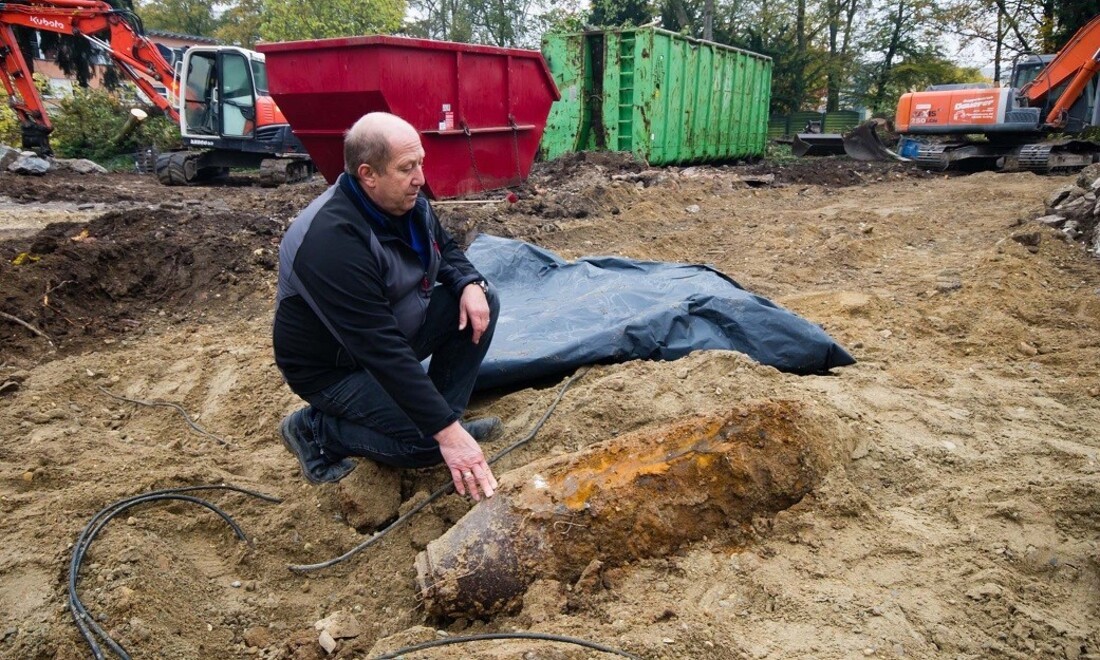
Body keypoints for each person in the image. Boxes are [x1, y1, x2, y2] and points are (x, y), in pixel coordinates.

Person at [273, 112, 500, 500]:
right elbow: (380, 348)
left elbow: (444, 249)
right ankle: (316, 431)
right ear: (368, 174)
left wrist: (470, 283)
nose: (421, 178)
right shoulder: (332, 241)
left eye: (421, 163)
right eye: (407, 168)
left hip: (392, 331)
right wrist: (444, 435)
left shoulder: (406, 204)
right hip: (335, 367)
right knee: (427, 446)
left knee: (483, 300)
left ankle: (446, 418)